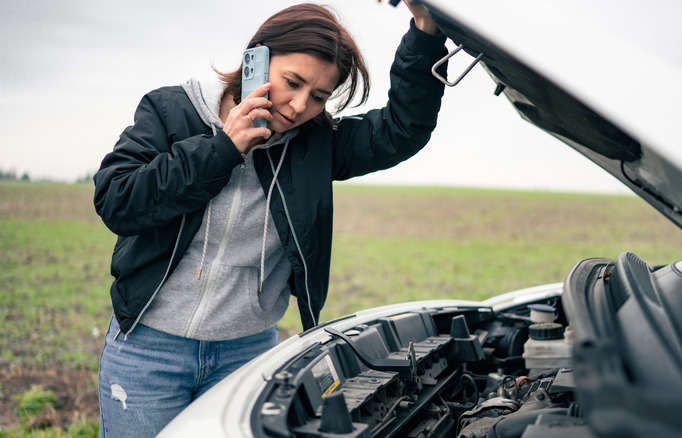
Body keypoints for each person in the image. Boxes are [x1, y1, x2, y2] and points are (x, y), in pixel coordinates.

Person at [92, 1, 447, 436]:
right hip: (149, 351)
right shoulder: (171, 111)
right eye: (292, 83)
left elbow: (401, 130)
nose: (299, 106)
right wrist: (223, 148)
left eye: (319, 96)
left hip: (248, 355)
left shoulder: (316, 144)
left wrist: (426, 36)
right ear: (256, 60)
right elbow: (118, 200)